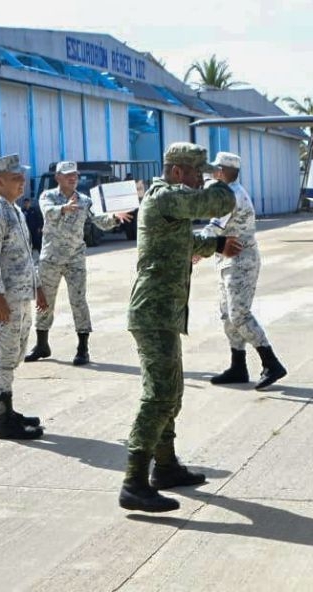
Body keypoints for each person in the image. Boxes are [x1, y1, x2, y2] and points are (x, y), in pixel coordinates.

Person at [121, 142, 241, 513]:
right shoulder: (165, 198)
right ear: (177, 173)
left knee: (170, 393)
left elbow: (184, 240)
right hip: (153, 312)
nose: (200, 181)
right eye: (196, 174)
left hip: (165, 312)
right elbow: (218, 203)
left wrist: (217, 243)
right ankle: (134, 482)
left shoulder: (168, 203)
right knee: (158, 395)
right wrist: (224, 180)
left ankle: (166, 467)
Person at [25, 160, 133, 366]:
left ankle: (83, 349)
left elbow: (98, 220)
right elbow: (47, 212)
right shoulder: (48, 196)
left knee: (79, 302)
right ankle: (42, 345)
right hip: (51, 259)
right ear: (58, 177)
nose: (72, 177)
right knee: (44, 302)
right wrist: (64, 208)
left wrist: (115, 218)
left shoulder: (84, 200)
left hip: (75, 259)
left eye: (74, 174)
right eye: (67, 175)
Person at [202, 152, 288, 391]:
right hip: (227, 260)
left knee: (239, 314)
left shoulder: (231, 196)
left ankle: (271, 362)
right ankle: (238, 365)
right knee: (227, 315)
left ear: (225, 171)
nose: (212, 173)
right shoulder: (228, 192)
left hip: (241, 261)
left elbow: (213, 228)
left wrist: (196, 248)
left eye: (216, 169)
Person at [0, 154, 44, 440]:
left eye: (22, 177)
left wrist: (37, 286)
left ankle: (5, 409)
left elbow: (27, 255)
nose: (22, 183)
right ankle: (4, 421)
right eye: (16, 178)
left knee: (14, 354)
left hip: (20, 297)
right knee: (3, 358)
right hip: (3, 302)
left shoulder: (13, 210)